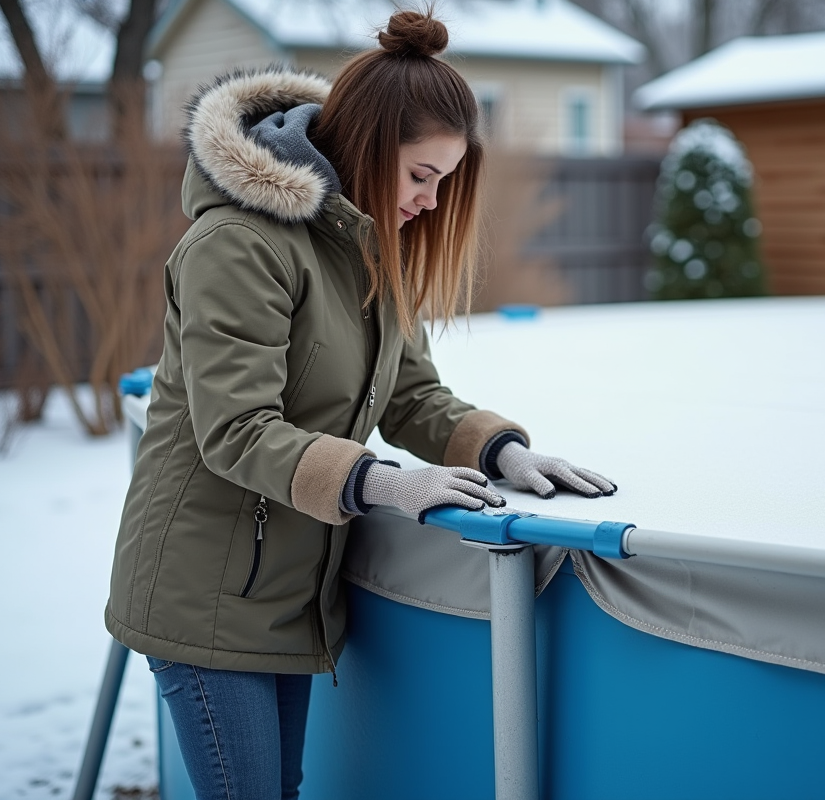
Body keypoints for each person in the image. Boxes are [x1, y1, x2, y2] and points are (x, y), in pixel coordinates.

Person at [104, 9, 614, 799]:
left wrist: (500, 450)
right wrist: (381, 481)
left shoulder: (366, 246)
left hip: (282, 591)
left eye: (445, 181)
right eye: (421, 176)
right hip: (201, 591)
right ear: (371, 149)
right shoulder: (239, 244)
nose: (433, 203)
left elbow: (409, 392)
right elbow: (236, 431)